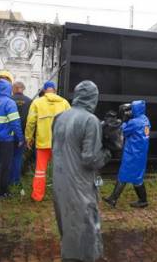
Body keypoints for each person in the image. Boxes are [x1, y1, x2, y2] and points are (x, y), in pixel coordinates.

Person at [52, 80, 112, 262]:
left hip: (60, 182)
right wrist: (109, 151)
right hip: (80, 183)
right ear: (93, 98)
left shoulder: (59, 117)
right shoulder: (90, 120)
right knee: (85, 227)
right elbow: (90, 158)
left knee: (67, 226)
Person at [25, 81, 70, 201]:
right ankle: (61, 195)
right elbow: (71, 122)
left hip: (43, 142)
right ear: (55, 90)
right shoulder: (64, 103)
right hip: (60, 143)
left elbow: (30, 122)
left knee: (40, 170)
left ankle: (37, 196)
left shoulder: (37, 102)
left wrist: (28, 138)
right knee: (61, 170)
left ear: (44, 91)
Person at [103, 100, 151, 209]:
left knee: (124, 175)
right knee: (137, 178)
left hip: (132, 153)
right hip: (140, 153)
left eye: (132, 109)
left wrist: (124, 120)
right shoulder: (145, 119)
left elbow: (123, 131)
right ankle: (142, 200)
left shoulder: (135, 122)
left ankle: (113, 199)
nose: (130, 111)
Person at [0, 78, 24, 198]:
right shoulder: (9, 102)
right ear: (8, 89)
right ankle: (3, 191)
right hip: (6, 139)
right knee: (6, 165)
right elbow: (15, 123)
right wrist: (20, 138)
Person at [10, 81, 32, 185]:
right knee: (18, 157)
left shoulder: (9, 100)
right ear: (23, 89)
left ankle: (8, 179)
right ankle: (16, 180)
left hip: (9, 133)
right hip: (23, 133)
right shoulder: (29, 101)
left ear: (14, 89)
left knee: (9, 156)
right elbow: (31, 120)